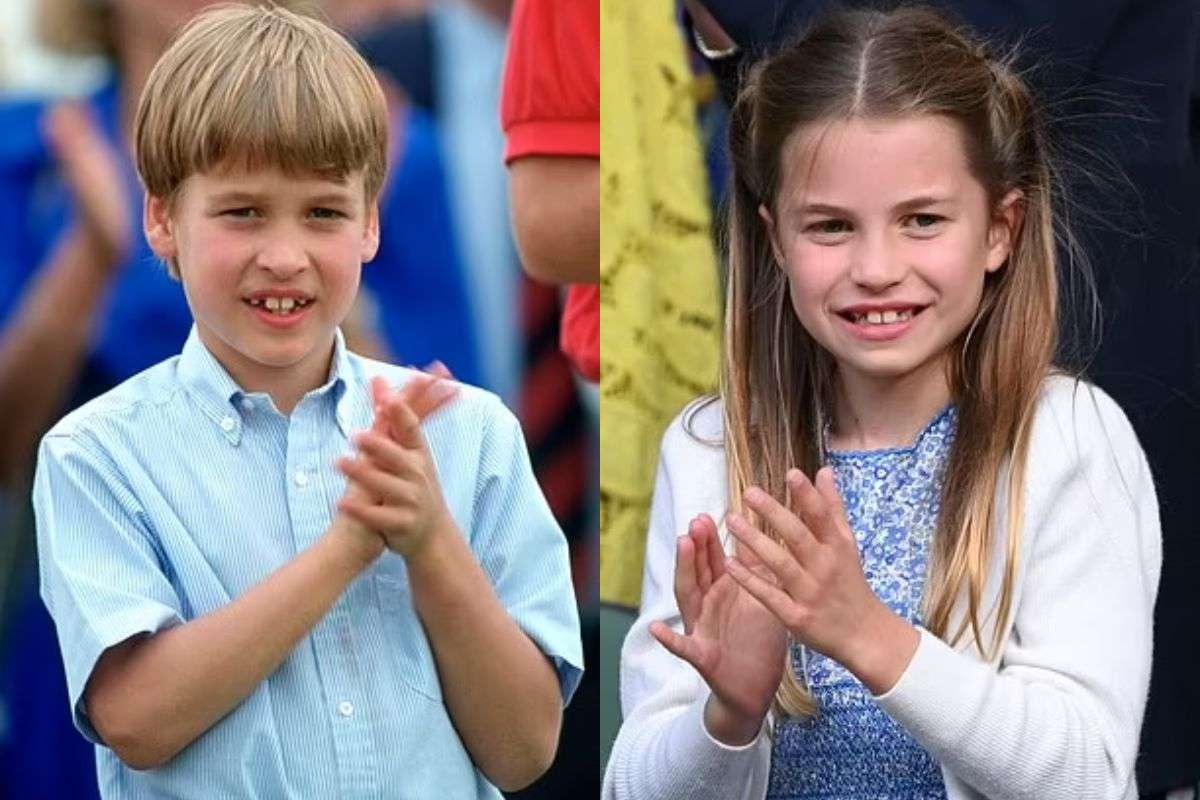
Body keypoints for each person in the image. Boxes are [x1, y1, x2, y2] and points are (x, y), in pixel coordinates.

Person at [604, 6, 1161, 799]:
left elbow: (1086, 774)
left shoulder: (1069, 438)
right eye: (830, 226)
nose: (876, 267)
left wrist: (867, 634)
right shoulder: (709, 452)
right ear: (772, 240)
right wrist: (726, 714)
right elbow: (632, 785)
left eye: (922, 221)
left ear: (1000, 230)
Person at [31, 6, 581, 798]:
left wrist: (431, 547)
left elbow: (527, 746)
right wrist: (345, 551)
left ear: (369, 224)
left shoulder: (471, 434)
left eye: (324, 212)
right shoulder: (95, 454)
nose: (284, 257)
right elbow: (136, 719)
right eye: (242, 211)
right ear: (162, 218)